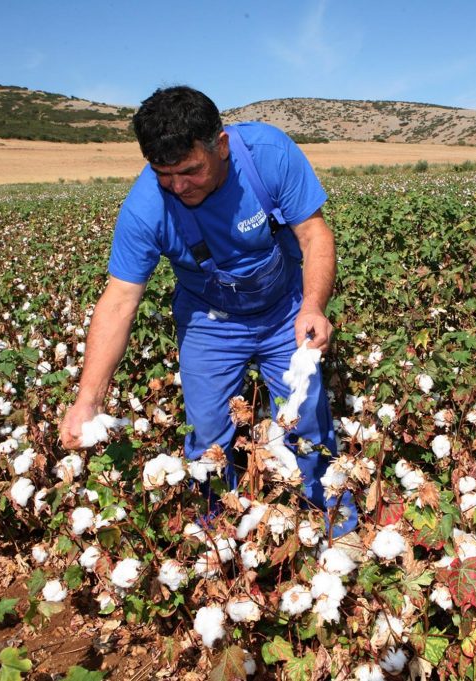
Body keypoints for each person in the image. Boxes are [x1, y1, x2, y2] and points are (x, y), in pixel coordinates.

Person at [59, 85, 356, 537]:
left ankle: (339, 530)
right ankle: (219, 539)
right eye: (164, 173)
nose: (178, 186)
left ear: (220, 145)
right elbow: (119, 301)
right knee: (208, 434)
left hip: (285, 310)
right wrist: (88, 400)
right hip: (209, 319)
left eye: (190, 171)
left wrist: (313, 307)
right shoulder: (146, 209)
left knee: (307, 422)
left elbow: (315, 236)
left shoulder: (268, 155)